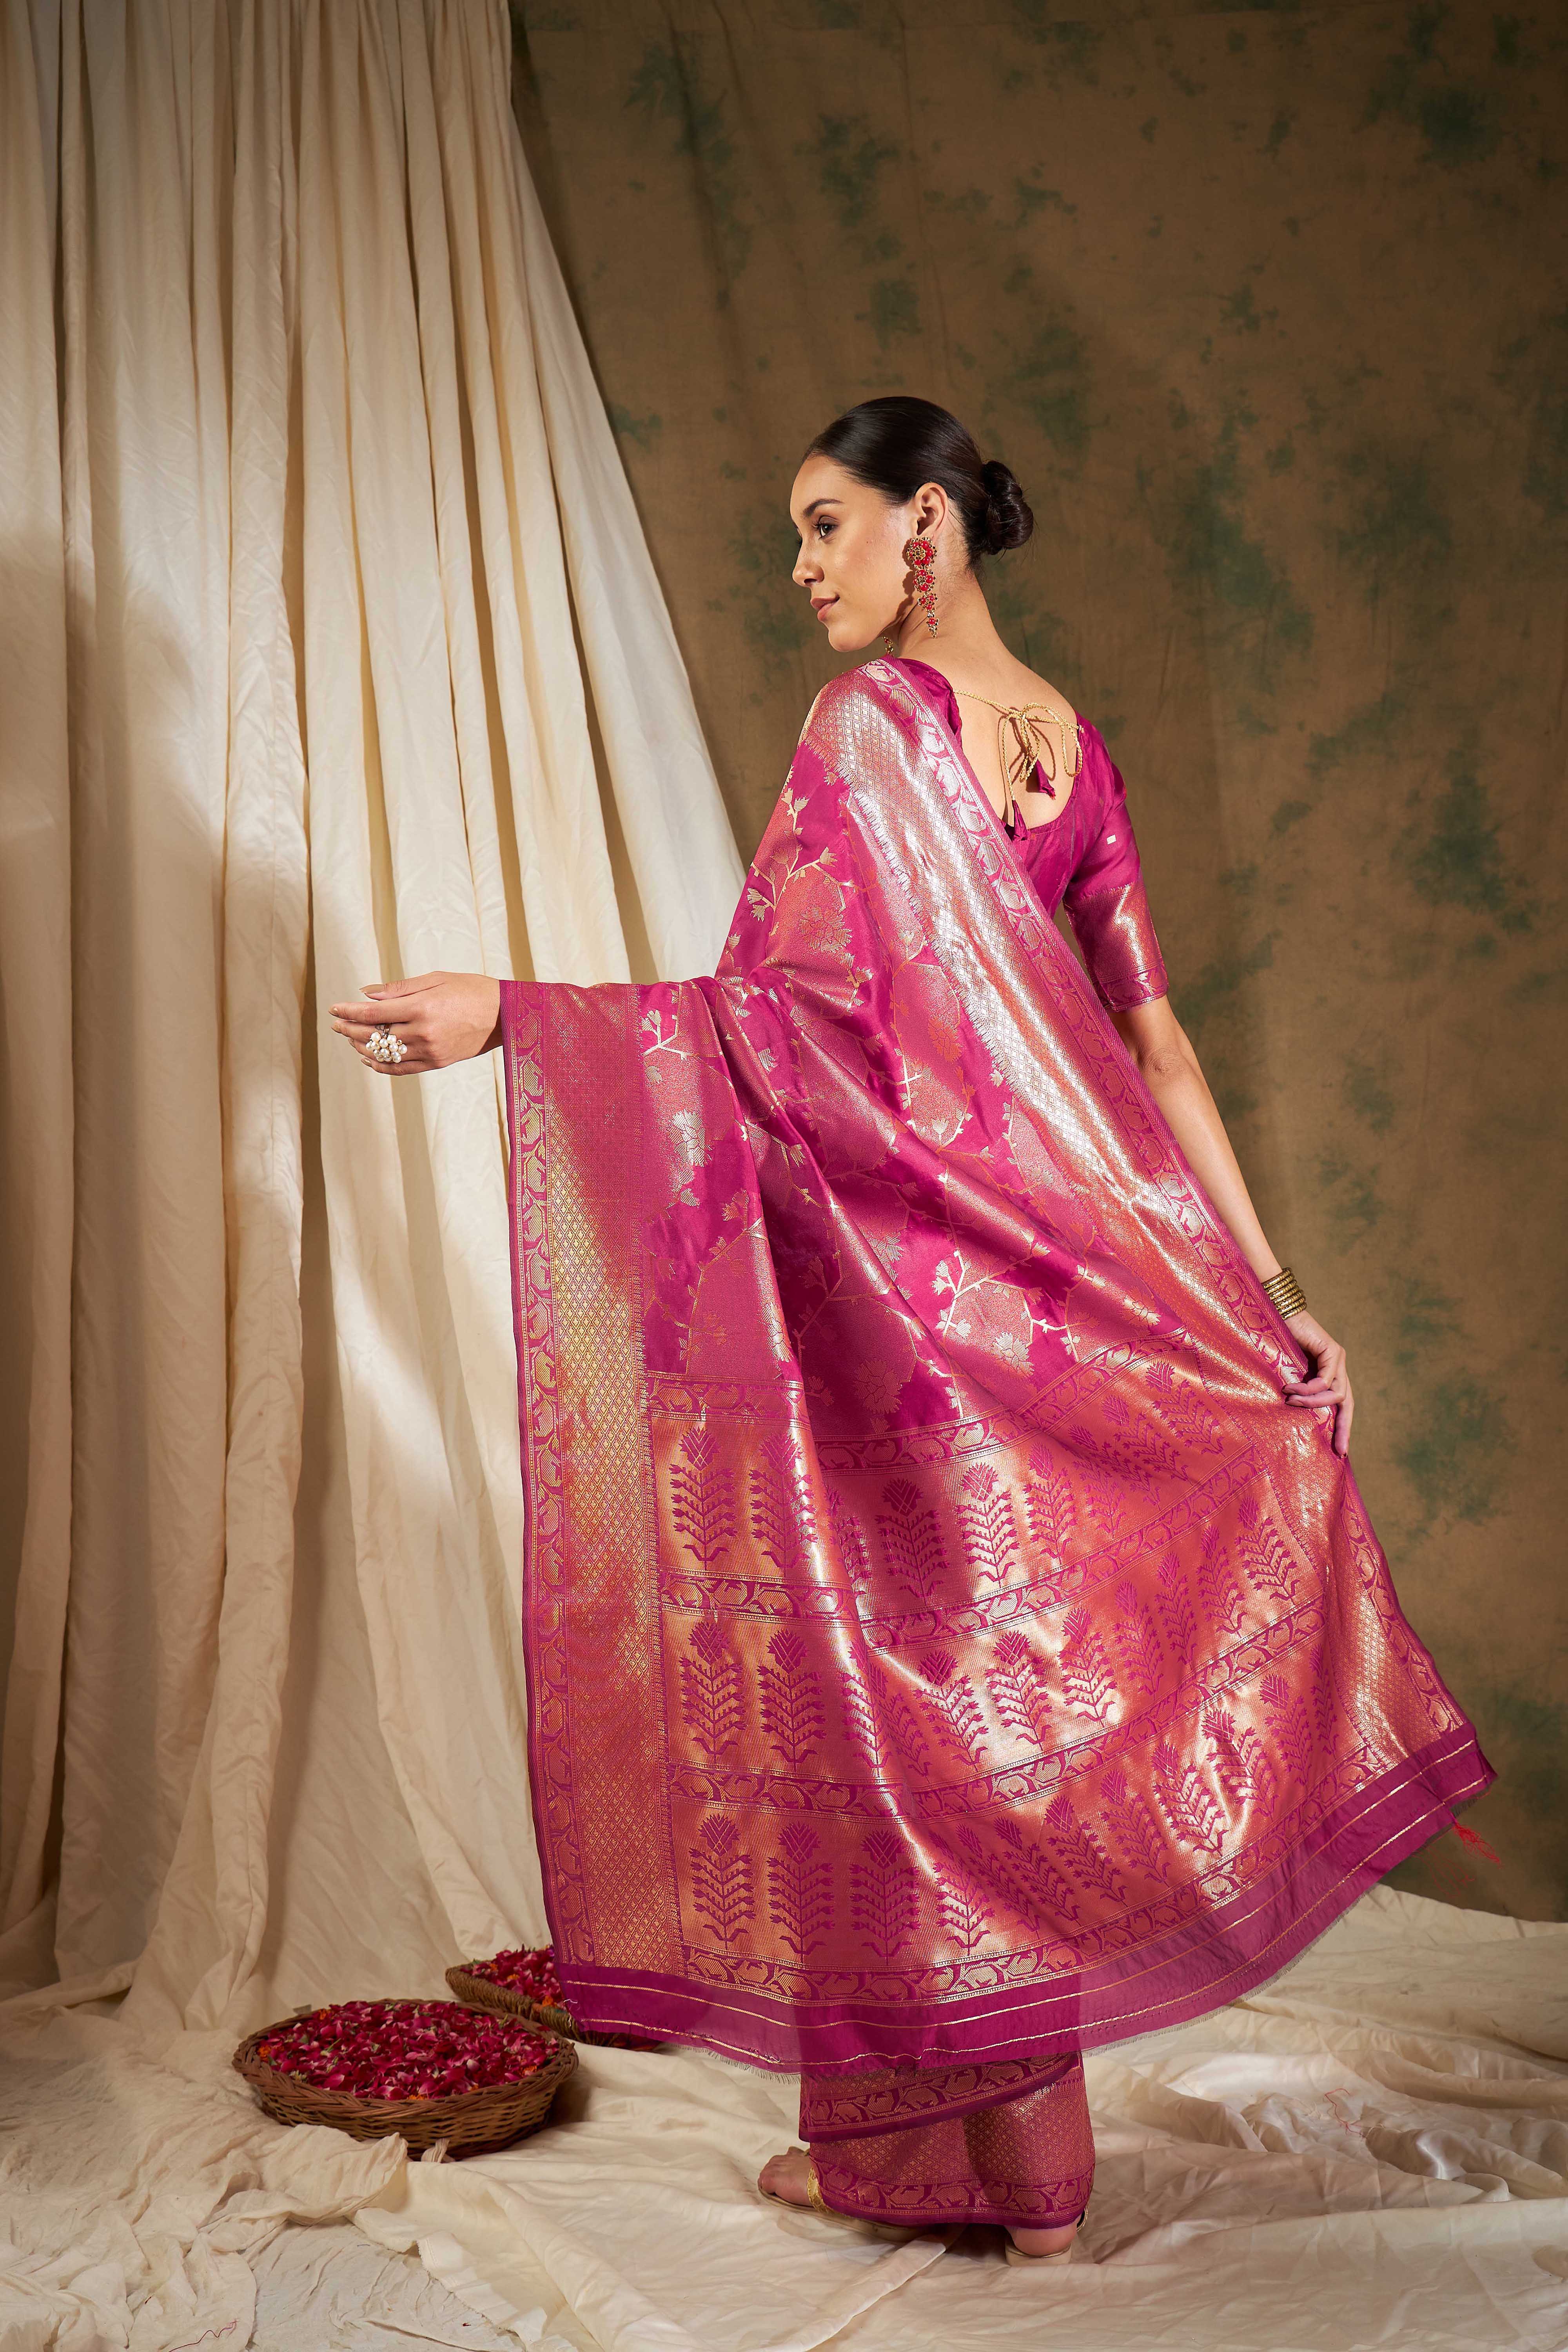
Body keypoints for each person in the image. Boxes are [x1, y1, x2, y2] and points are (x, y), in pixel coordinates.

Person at [331, 396, 1492, 2268]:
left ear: (923, 522)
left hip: (908, 1316)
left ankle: (985, 2167)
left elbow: (773, 1023)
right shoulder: (1076, 754)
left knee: (909, 1717)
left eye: (825, 524)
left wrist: (517, 1019)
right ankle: (1014, 2171)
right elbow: (1155, 1048)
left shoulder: (871, 726)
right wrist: (1272, 1299)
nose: (801, 567)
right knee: (1013, 1718)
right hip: (1056, 1306)